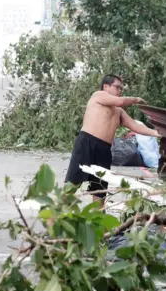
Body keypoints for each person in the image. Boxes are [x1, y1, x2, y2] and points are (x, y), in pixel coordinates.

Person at [64, 74, 160, 206]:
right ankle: (55, 219)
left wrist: (157, 133)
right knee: (72, 184)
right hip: (87, 143)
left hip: (104, 150)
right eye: (117, 87)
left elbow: (136, 126)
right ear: (105, 87)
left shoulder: (119, 111)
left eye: (121, 89)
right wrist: (135, 99)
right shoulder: (98, 96)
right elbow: (121, 101)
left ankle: (98, 224)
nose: (120, 91)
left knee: (99, 190)